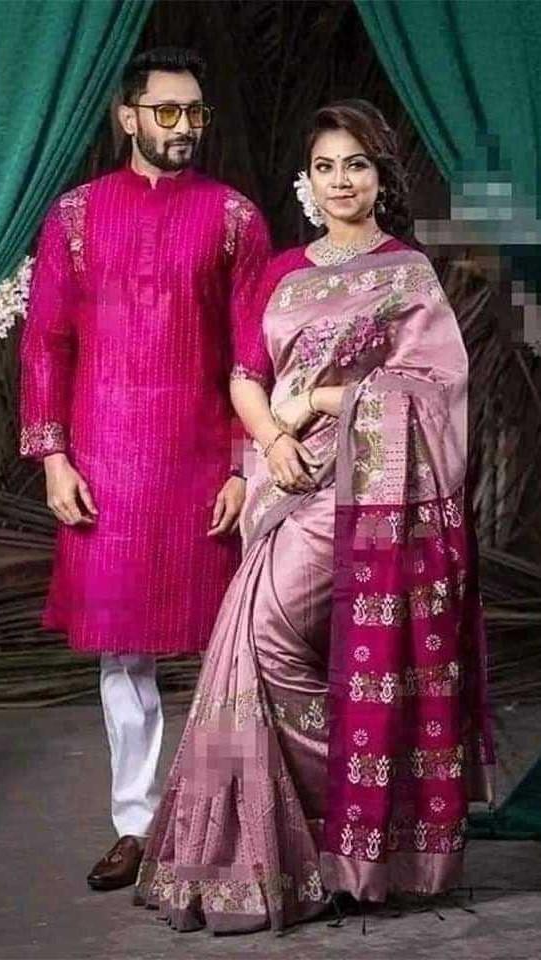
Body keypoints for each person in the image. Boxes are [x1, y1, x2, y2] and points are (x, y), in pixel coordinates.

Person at [134, 100, 495, 933]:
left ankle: (365, 804)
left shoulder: (406, 273)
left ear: (380, 177)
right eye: (326, 167)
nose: (341, 181)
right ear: (307, 180)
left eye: (356, 165)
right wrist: (274, 437)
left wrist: (326, 401)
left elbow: (436, 391)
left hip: (364, 486)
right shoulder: (283, 271)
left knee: (265, 636)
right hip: (283, 476)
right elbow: (246, 375)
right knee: (253, 644)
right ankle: (331, 828)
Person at [19, 47, 271, 891]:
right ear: (127, 116)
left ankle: (220, 822)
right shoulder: (74, 215)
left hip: (204, 468)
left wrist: (244, 467)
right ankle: (135, 823)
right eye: (166, 110)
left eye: (194, 111)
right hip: (105, 465)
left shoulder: (235, 218)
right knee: (122, 654)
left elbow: (254, 352)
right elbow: (46, 342)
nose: (183, 126)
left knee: (230, 647)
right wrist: (54, 457)